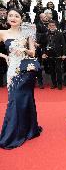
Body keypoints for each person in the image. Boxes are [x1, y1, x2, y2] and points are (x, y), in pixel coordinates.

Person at [0, 8, 42, 149]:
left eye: (16, 16)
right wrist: (4, 56)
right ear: (7, 18)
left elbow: (33, 52)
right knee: (14, 100)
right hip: (12, 70)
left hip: (26, 70)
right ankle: (14, 133)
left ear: (21, 19)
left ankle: (28, 130)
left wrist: (24, 50)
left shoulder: (27, 33)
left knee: (25, 100)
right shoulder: (2, 33)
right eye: (10, 15)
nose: (13, 18)